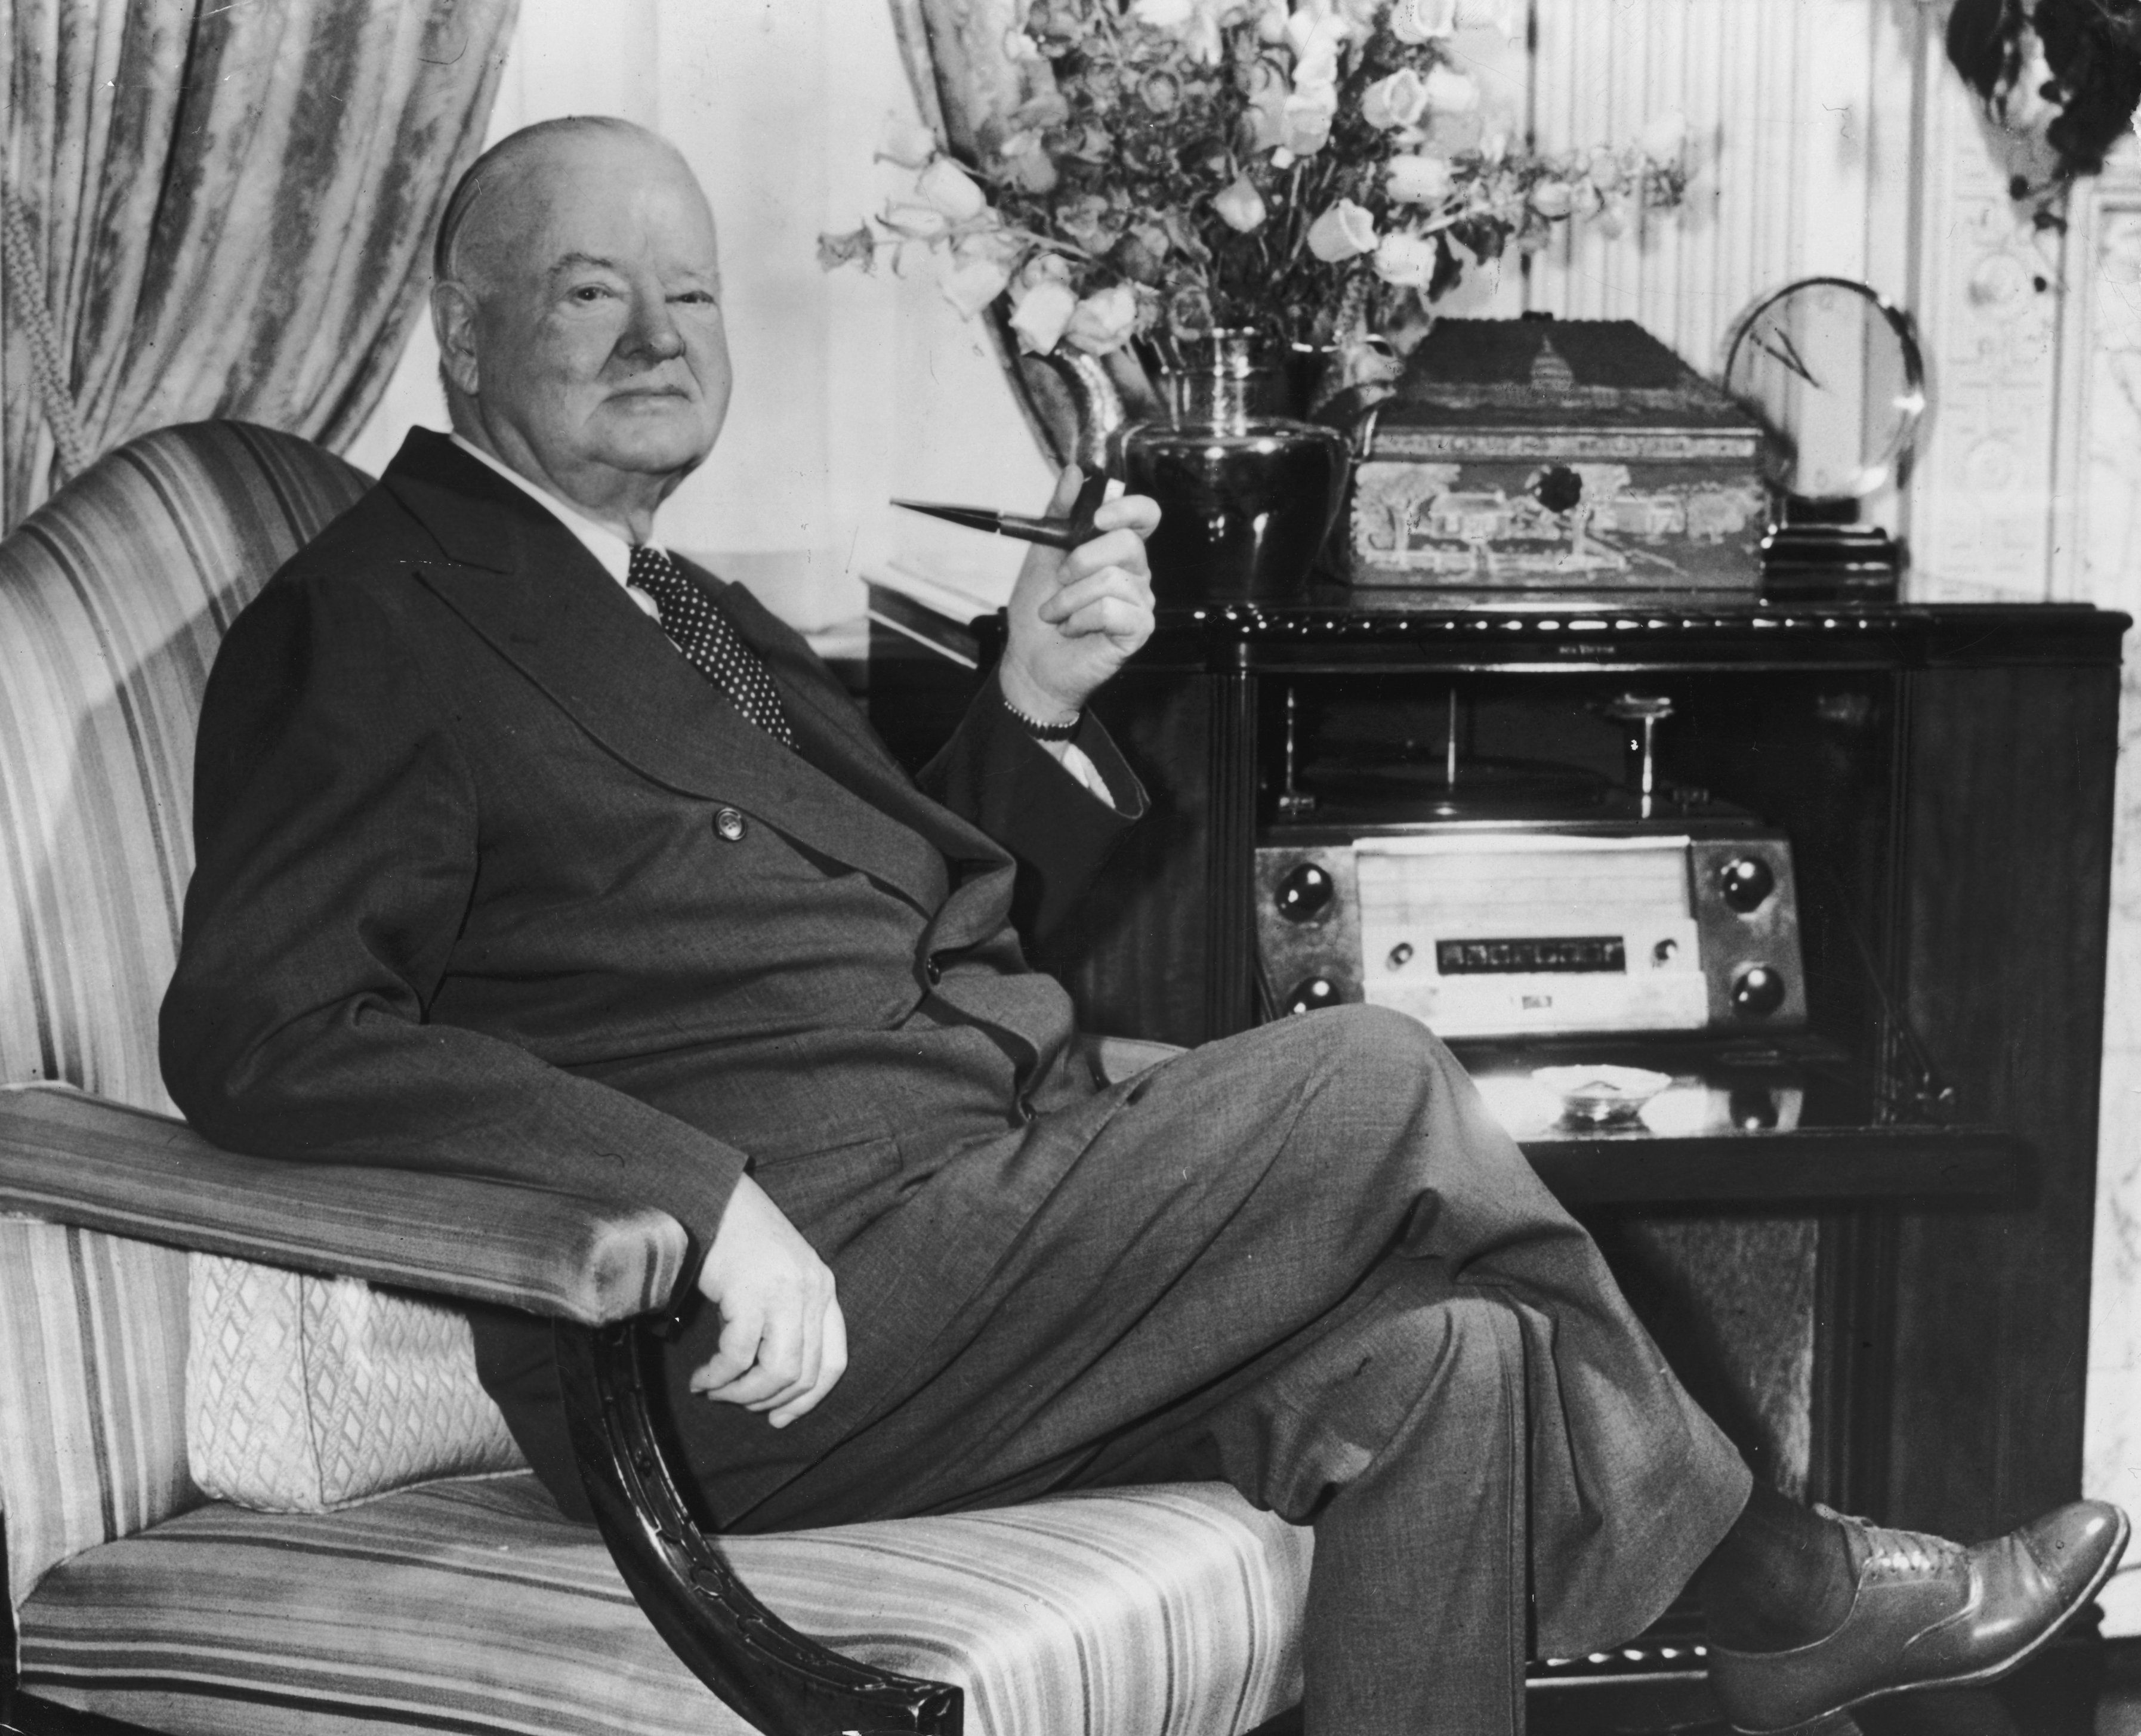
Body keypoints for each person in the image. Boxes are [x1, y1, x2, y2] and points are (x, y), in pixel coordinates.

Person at [159, 116, 2127, 1736]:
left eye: (690, 294)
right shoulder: (371, 619)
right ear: (463, 332)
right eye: (594, 291)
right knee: (1371, 1076)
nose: (659, 336)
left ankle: (1762, 1604)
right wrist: (690, 1195)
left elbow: (879, 909)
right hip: (748, 1349)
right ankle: (1777, 1587)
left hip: (970, 1241)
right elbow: (266, 1031)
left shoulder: (683, 608)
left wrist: (1025, 703)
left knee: (1446, 1367)